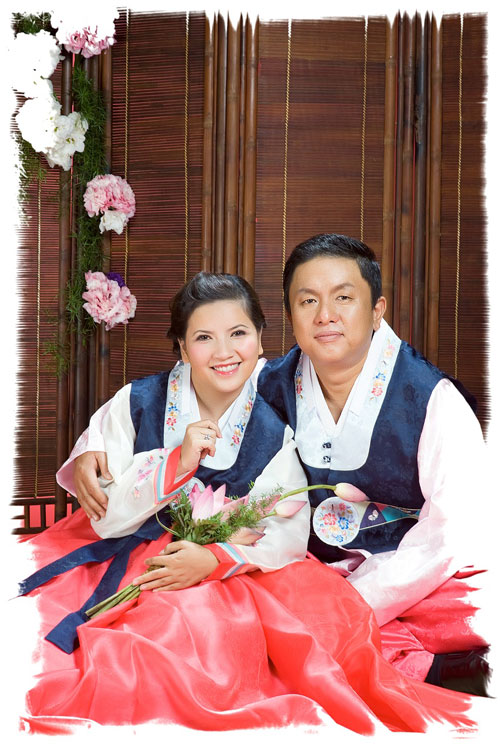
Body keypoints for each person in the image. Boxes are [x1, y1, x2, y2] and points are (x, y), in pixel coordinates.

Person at [19, 272, 486, 735]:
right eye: (203, 338)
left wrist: (215, 559)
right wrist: (159, 459)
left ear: (261, 340)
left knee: (196, 642)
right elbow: (105, 512)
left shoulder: (271, 422)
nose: (224, 352)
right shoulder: (139, 401)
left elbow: (287, 529)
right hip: (122, 553)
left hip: (223, 568)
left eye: (239, 333)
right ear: (182, 347)